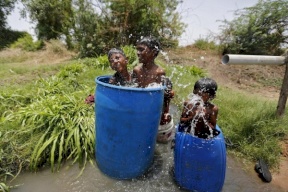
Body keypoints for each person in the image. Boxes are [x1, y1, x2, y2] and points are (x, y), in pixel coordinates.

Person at [132, 36, 175, 143]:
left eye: (141, 49)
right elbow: (131, 90)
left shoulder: (159, 73)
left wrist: (165, 112)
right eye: (137, 49)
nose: (138, 52)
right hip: (139, 110)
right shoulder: (136, 70)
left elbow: (166, 95)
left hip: (152, 111)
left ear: (153, 52)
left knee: (149, 137)